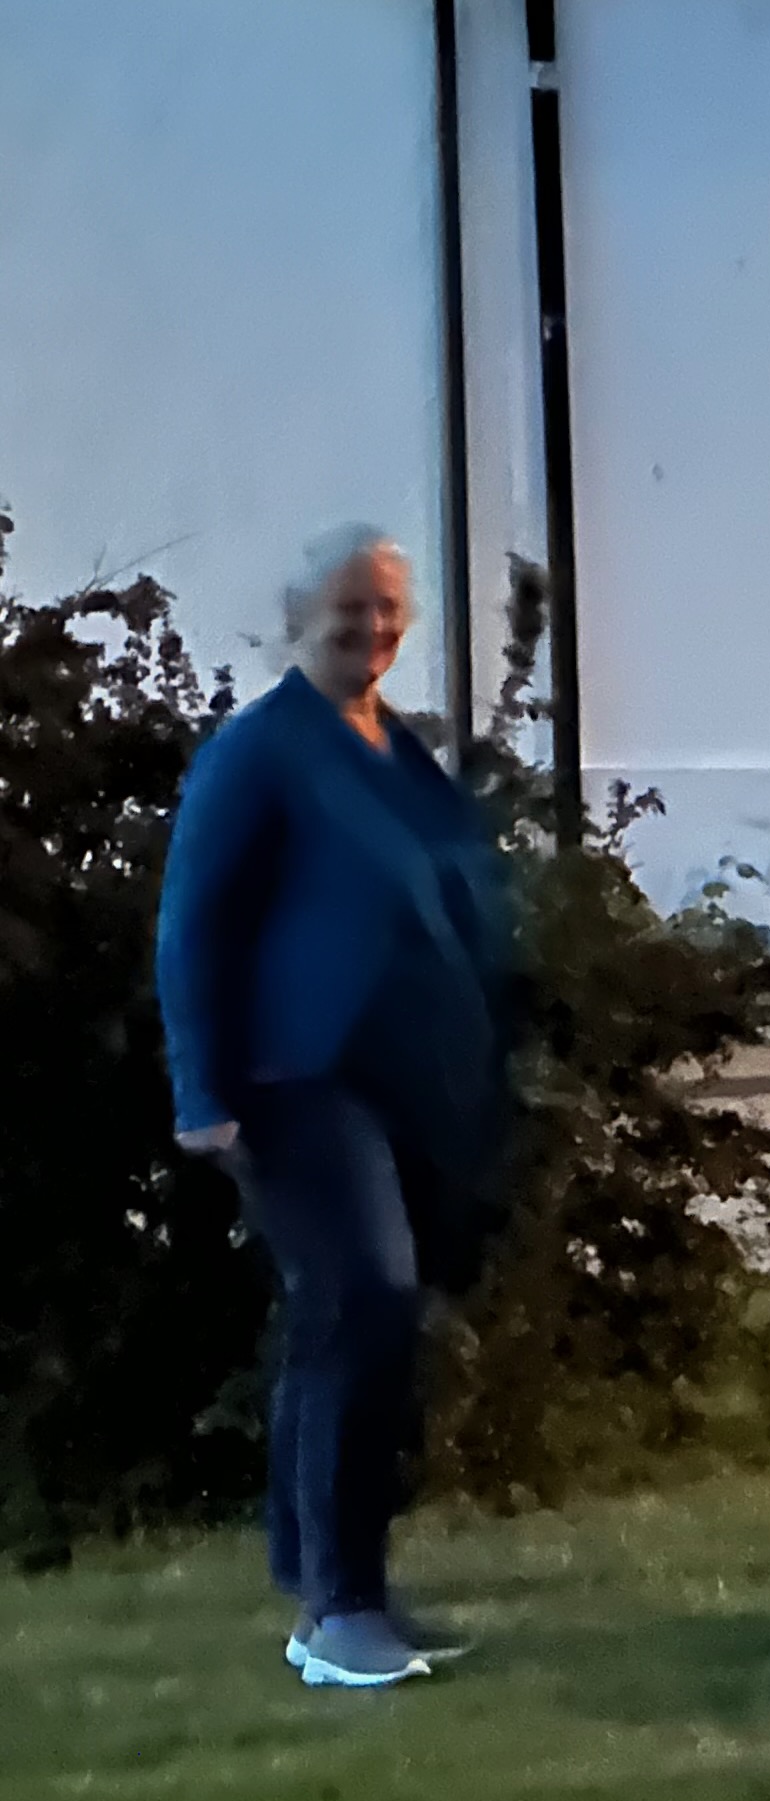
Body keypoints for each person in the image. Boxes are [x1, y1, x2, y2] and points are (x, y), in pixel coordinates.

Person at [155, 526, 518, 1689]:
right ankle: (335, 1612)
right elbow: (192, 927)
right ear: (295, 619)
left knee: (355, 1322)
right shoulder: (259, 754)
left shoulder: (394, 748)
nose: (372, 631)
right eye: (349, 611)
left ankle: (331, 1583)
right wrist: (199, 1090)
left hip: (411, 1083)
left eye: (389, 611)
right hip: (294, 1081)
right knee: (364, 1295)